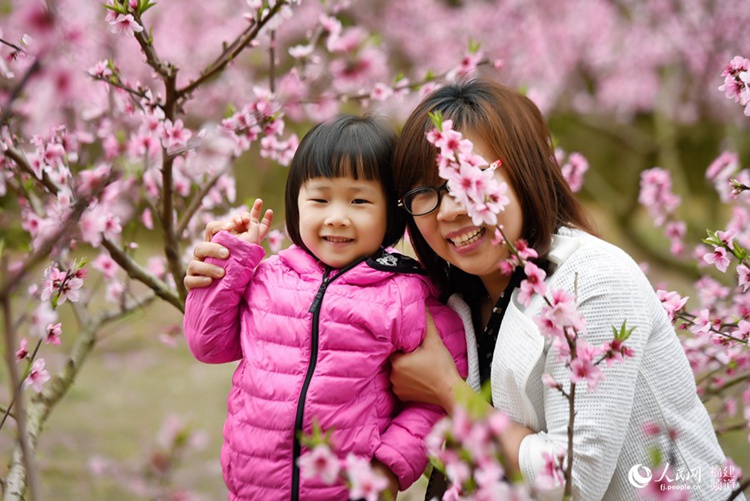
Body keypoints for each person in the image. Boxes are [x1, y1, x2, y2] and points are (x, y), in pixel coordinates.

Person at [385, 75, 737, 500]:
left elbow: (573, 479)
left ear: (524, 168)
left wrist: (448, 391)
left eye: (470, 177)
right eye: (426, 193)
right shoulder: (457, 302)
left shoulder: (592, 279)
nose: (452, 209)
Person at [182, 114, 468, 501]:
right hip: (252, 490)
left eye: (359, 200)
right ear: (296, 204)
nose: (337, 216)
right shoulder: (266, 277)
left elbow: (432, 402)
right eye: (319, 198)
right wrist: (230, 261)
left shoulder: (406, 294)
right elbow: (206, 344)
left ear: (391, 212)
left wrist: (388, 470)